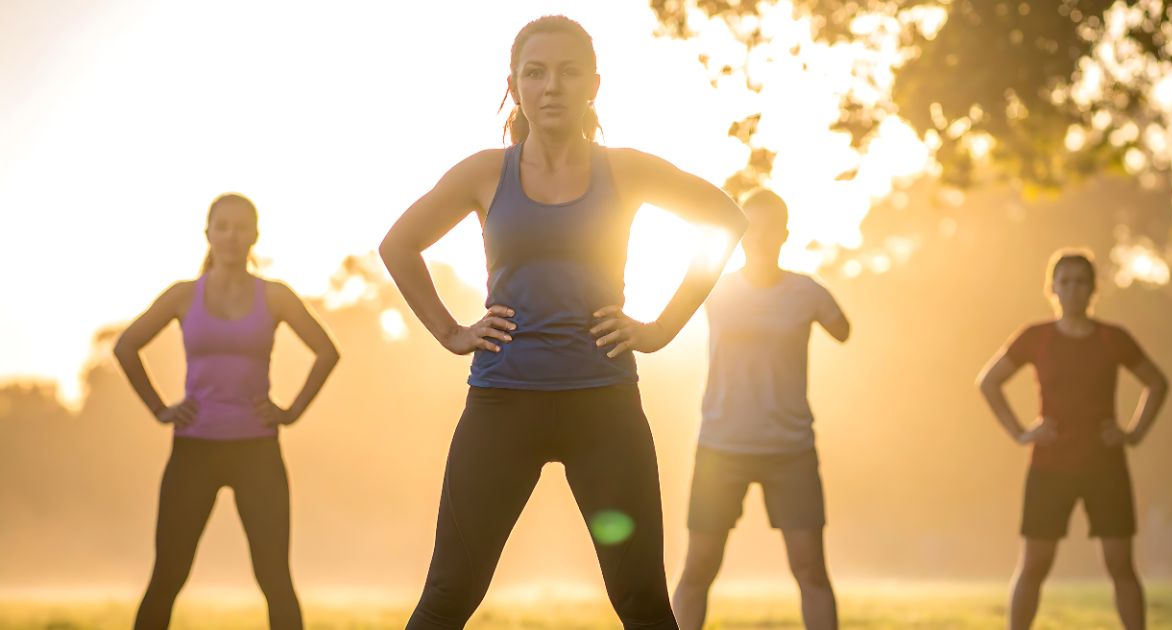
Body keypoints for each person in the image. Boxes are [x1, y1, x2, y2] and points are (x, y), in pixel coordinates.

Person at [378, 15, 747, 630]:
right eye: (536, 72)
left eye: (568, 72)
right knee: (446, 597)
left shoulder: (625, 169)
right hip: (501, 407)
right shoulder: (483, 173)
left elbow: (726, 219)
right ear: (515, 84)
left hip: (604, 409)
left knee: (643, 604)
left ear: (593, 85)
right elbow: (399, 245)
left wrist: (661, 328)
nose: (552, 86)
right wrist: (451, 332)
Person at [113, 193, 340, 630]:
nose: (232, 236)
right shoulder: (183, 295)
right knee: (167, 577)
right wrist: (160, 408)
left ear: (255, 235)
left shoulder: (275, 296)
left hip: (257, 449)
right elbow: (125, 346)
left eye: (241, 227)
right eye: (223, 226)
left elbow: (327, 351)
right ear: (208, 234)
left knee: (274, 577)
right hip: (193, 449)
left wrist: (290, 411)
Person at [672, 189, 849, 630]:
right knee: (698, 568)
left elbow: (843, 330)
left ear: (785, 234)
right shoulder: (715, 287)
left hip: (789, 449)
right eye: (750, 228)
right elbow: (669, 314)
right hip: (721, 446)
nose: (760, 237)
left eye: (770, 228)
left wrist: (821, 302)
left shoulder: (805, 291)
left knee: (810, 569)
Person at [976, 248, 1169, 630]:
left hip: (1105, 465)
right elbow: (989, 382)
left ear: (1093, 289)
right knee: (1034, 564)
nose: (1073, 289)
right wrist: (1020, 432)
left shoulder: (1113, 339)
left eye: (1082, 281)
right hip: (1049, 465)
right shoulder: (1036, 338)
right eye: (1065, 281)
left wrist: (1133, 433)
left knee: (1120, 564)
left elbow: (1157, 383)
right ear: (1053, 288)